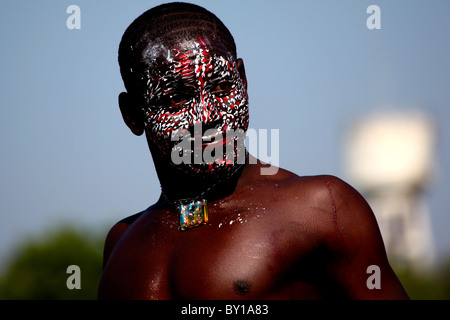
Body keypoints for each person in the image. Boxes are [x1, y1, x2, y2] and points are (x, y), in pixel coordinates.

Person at [98, 2, 409, 300]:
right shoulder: (120, 242)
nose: (208, 116)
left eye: (221, 88)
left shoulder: (322, 209)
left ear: (243, 82)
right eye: (178, 98)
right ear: (133, 115)